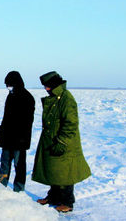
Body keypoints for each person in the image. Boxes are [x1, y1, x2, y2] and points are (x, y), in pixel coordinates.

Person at [32, 71, 91, 213]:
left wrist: (62, 142)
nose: (46, 89)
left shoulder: (66, 99)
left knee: (65, 174)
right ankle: (53, 197)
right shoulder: (56, 97)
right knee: (54, 172)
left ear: (54, 85)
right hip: (52, 141)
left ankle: (67, 202)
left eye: (47, 86)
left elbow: (71, 124)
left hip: (65, 144)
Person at [0, 71, 35, 192]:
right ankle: (0, 187)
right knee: (4, 164)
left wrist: (22, 139)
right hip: (7, 137)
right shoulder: (10, 95)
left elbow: (28, 122)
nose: (8, 87)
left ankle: (19, 189)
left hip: (19, 139)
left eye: (10, 84)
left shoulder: (27, 98)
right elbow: (6, 118)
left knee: (19, 166)